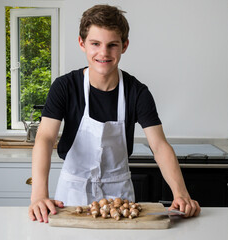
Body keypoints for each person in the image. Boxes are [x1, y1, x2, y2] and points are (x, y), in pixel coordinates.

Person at [28, 4, 201, 223]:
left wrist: (180, 193)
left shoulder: (137, 92)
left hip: (119, 196)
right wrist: (39, 195)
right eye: (95, 44)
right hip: (72, 193)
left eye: (112, 45)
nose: (103, 53)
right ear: (82, 43)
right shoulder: (64, 87)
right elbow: (45, 138)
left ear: (124, 46)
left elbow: (159, 146)